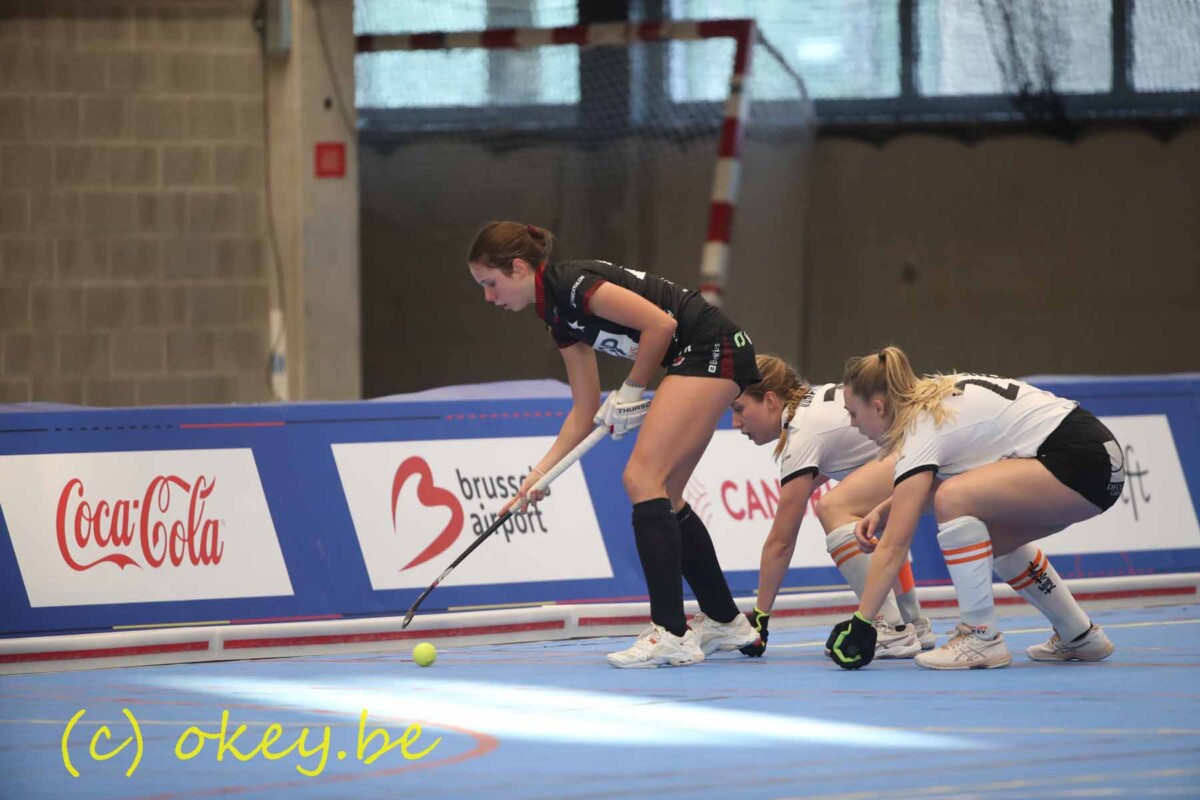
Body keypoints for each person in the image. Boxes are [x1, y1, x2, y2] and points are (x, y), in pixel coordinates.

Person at [468, 221, 762, 668]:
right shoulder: (555, 316)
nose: (489, 297)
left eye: (490, 283)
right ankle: (725, 620)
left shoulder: (571, 284)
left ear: (519, 268)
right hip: (706, 354)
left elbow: (660, 324)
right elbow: (584, 408)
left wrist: (632, 388)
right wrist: (540, 475)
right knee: (667, 493)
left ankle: (671, 633)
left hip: (709, 348)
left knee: (641, 478)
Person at [825, 346, 1122, 670]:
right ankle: (1079, 634)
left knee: (952, 500)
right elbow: (938, 487)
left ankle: (980, 637)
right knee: (983, 535)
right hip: (1098, 459)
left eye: (853, 414)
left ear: (878, 407)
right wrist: (883, 511)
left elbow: (895, 545)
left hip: (1081, 459)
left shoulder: (920, 429)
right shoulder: (933, 403)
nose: (853, 424)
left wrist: (862, 621)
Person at [729, 354, 934, 660]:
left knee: (833, 508)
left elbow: (781, 542)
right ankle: (911, 622)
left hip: (922, 450)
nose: (735, 423)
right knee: (864, 517)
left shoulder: (802, 434)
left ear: (770, 400)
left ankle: (890, 627)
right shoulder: (813, 411)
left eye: (739, 409)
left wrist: (760, 615)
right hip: (924, 446)